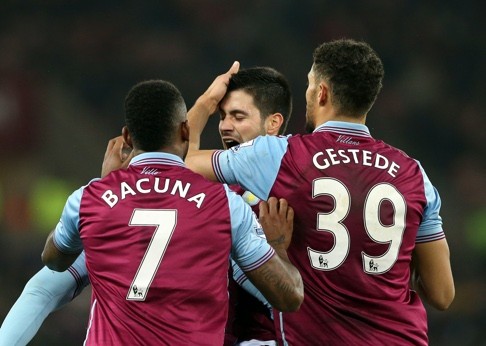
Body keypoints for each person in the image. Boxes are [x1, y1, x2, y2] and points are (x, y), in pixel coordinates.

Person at [176, 39, 455, 345]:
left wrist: (206, 102)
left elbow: (178, 160)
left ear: (321, 92)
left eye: (309, 85)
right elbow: (441, 294)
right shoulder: (414, 174)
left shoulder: (280, 156)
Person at [0, 66, 293, 346]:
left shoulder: (100, 199)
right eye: (223, 116)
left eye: (239, 116)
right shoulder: (222, 203)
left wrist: (103, 193)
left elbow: (50, 271)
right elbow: (287, 297)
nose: (227, 125)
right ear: (185, 132)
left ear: (273, 124)